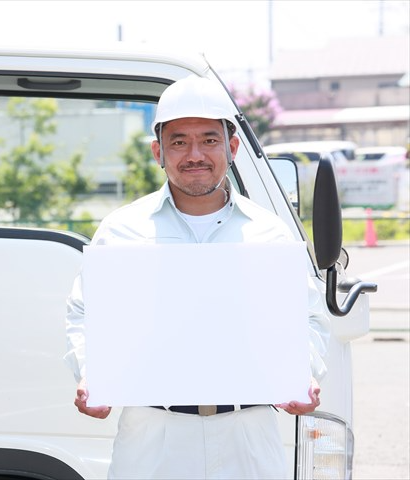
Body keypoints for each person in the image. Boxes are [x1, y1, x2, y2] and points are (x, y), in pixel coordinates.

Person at [64, 76, 330, 479]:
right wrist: (90, 373)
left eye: (209, 140)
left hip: (248, 436)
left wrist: (302, 372)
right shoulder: (122, 231)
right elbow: (84, 313)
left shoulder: (269, 232)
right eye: (178, 142)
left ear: (232, 147)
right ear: (158, 151)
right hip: (154, 438)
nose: (195, 155)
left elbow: (306, 318)